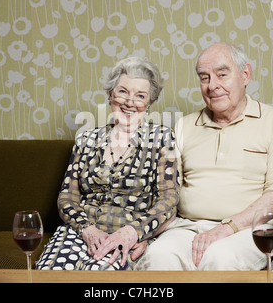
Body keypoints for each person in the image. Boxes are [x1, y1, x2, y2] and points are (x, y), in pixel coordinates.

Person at [135, 42, 273, 271]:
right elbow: (167, 191)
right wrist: (146, 231)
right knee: (158, 256)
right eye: (204, 78)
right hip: (186, 227)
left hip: (246, 229)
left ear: (245, 75)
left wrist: (227, 227)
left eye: (222, 74)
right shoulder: (184, 125)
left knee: (219, 259)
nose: (212, 86)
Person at [36, 56, 179, 270]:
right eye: (123, 91)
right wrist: (87, 229)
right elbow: (67, 196)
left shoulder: (162, 139)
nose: (130, 102)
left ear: (149, 103)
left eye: (140, 95)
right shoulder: (86, 139)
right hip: (81, 232)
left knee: (97, 278)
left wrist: (137, 233)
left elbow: (169, 199)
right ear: (110, 94)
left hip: (127, 237)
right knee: (50, 273)